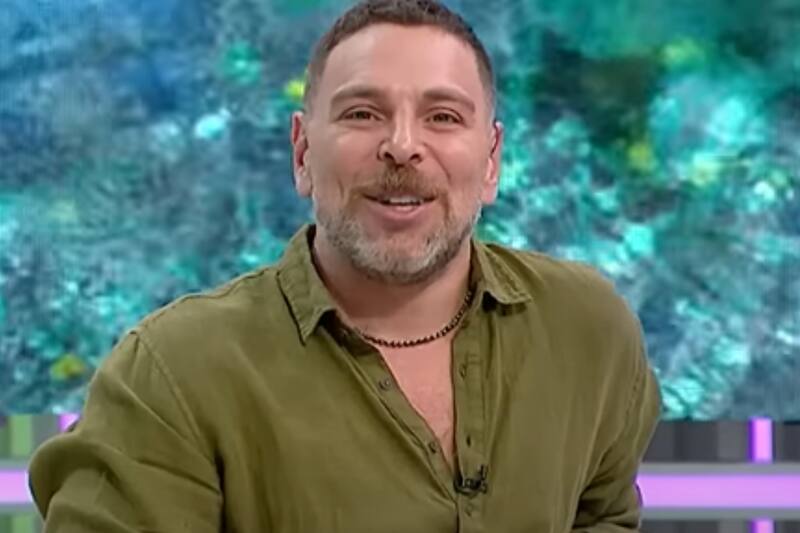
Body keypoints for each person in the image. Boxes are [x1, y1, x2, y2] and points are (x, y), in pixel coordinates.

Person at [28, 0, 661, 531]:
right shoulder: (171, 376)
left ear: (492, 160)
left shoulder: (589, 332)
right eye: (363, 113)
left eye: (442, 117)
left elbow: (605, 516)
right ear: (302, 152)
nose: (403, 146)